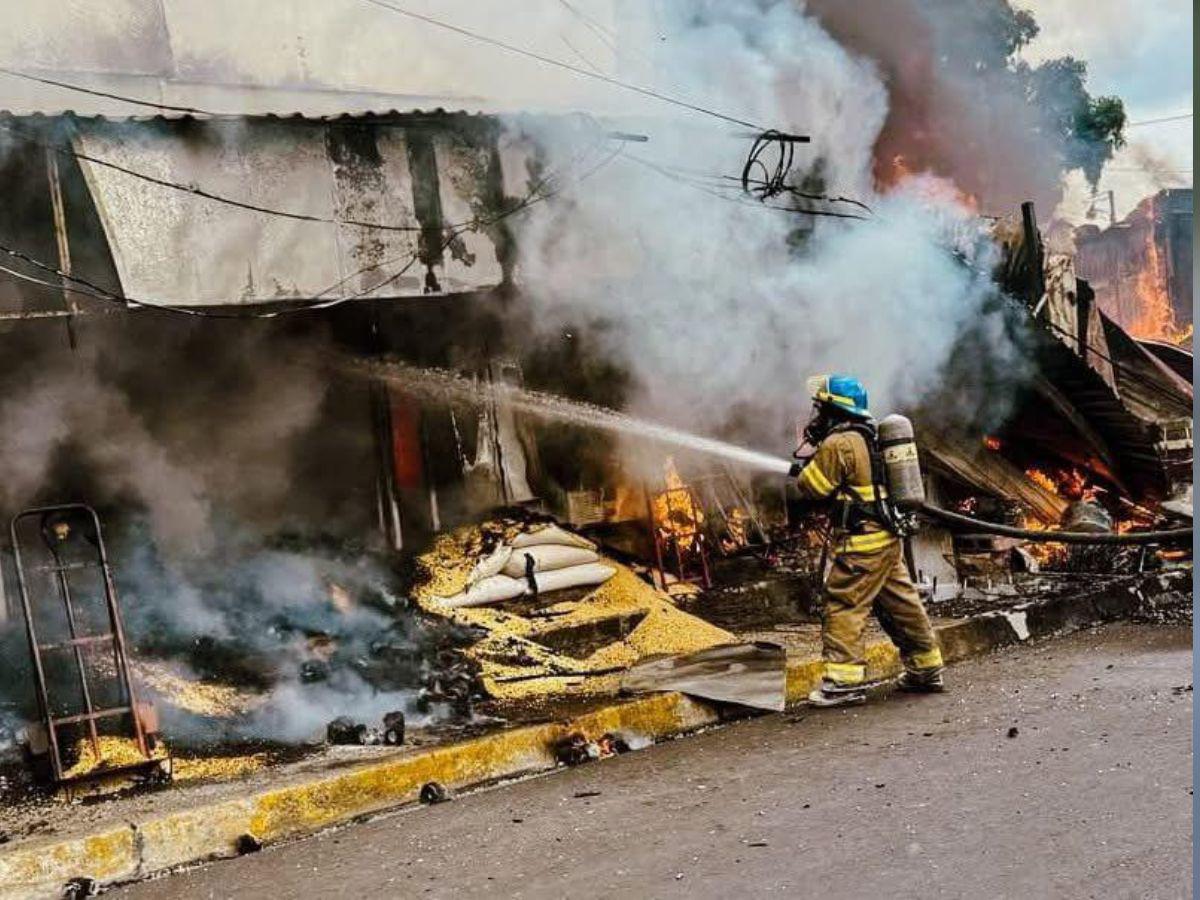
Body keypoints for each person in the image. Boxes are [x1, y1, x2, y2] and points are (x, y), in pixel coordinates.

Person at [789, 374, 945, 707]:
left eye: (821, 408)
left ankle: (844, 683)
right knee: (901, 605)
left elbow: (813, 488)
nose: (816, 415)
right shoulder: (871, 436)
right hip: (887, 540)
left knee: (844, 603)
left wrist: (801, 472)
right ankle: (926, 668)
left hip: (862, 544)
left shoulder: (838, 443)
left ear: (834, 409)